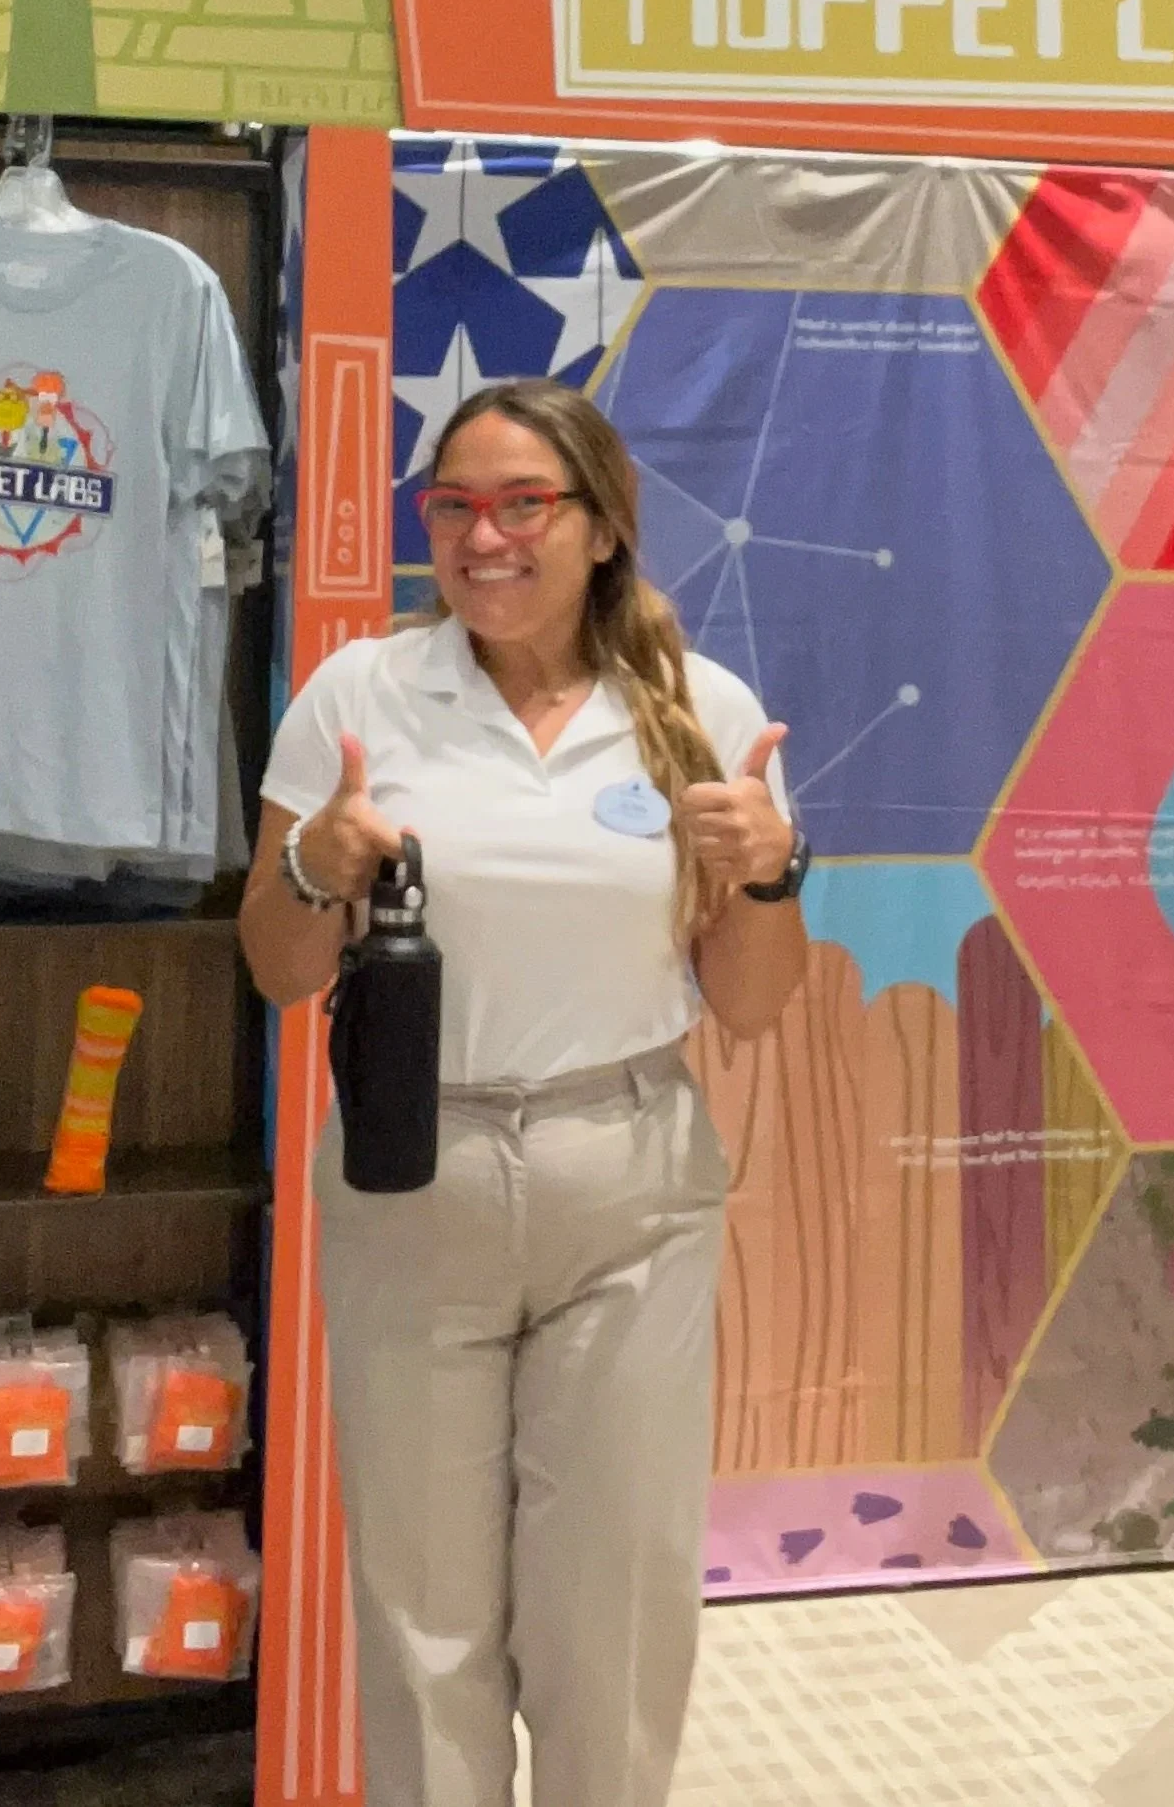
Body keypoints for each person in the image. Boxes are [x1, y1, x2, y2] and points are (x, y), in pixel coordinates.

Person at [241, 379, 812, 1807]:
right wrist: (313, 864)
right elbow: (276, 966)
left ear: (602, 525)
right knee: (424, 1609)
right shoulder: (359, 697)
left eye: (521, 504)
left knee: (612, 1605)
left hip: (630, 1179)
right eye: (453, 506)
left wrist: (770, 874)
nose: (482, 536)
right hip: (411, 1169)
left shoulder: (699, 709)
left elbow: (749, 1004)